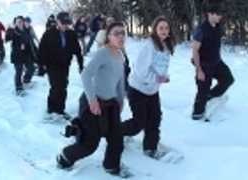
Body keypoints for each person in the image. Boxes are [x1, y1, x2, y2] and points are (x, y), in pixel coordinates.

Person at [57, 22, 131, 178]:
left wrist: (120, 100)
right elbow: (85, 75)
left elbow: (120, 81)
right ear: (108, 36)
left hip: (110, 104)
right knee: (90, 144)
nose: (120, 36)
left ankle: (111, 166)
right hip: (93, 102)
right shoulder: (103, 53)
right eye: (116, 33)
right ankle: (65, 156)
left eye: (122, 33)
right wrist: (92, 100)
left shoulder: (120, 55)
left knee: (116, 138)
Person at [121, 16, 176, 159]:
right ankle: (116, 132)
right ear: (155, 30)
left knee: (155, 119)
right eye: (161, 28)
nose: (164, 31)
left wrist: (164, 76)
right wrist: (156, 79)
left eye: (166, 28)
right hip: (138, 89)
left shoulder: (166, 46)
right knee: (139, 122)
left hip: (152, 90)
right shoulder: (148, 45)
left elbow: (162, 66)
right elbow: (140, 70)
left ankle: (150, 148)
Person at [191, 4, 234, 120]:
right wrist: (199, 70)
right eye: (218, 14)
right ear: (210, 14)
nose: (220, 16)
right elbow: (195, 51)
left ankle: (210, 95)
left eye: (221, 14)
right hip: (204, 65)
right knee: (202, 94)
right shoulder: (201, 30)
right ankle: (196, 117)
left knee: (228, 79)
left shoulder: (218, 27)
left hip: (216, 62)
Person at [38, 12, 83, 121]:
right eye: (63, 23)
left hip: (65, 65)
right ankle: (51, 109)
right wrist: (41, 66)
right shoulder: (49, 34)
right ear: (57, 22)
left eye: (67, 23)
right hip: (52, 65)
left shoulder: (71, 34)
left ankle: (60, 109)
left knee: (63, 86)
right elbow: (41, 50)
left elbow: (77, 50)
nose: (65, 26)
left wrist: (81, 64)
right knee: (56, 86)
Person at [5, 16, 35, 95]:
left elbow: (30, 42)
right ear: (15, 23)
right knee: (19, 71)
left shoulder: (26, 30)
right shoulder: (13, 31)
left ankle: (26, 80)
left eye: (21, 21)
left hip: (26, 54)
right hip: (17, 55)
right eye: (18, 22)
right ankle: (18, 88)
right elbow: (7, 39)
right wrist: (8, 31)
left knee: (31, 68)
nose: (20, 23)